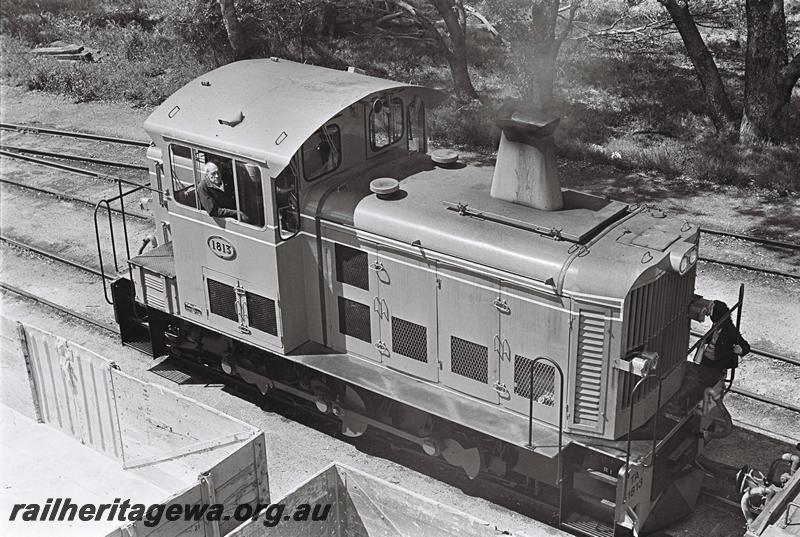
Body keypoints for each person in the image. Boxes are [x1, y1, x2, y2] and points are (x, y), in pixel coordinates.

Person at [665, 300, 750, 416]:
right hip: (706, 361)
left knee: (694, 383)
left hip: (716, 365)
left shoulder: (730, 331)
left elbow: (746, 346)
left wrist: (740, 350)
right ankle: (681, 406)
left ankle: (679, 407)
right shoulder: (717, 325)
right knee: (691, 380)